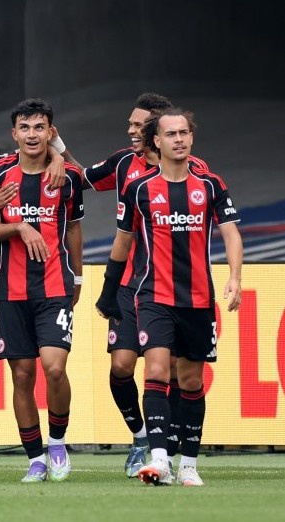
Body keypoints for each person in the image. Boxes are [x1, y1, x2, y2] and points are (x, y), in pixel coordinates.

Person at [60, 93, 209, 478]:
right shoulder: (124, 162)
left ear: (156, 130)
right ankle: (141, 438)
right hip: (130, 284)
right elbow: (82, 178)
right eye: (129, 123)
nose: (130, 130)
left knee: (173, 370)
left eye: (137, 124)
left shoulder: (196, 171)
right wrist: (56, 147)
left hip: (172, 286)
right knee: (122, 365)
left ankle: (170, 451)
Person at [96, 108, 242, 486]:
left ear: (191, 137)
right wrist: (109, 291)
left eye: (184, 133)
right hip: (153, 295)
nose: (179, 139)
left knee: (191, 381)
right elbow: (123, 241)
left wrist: (235, 277)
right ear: (157, 142)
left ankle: (188, 465)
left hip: (198, 298)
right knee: (157, 371)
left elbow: (230, 233)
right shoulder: (140, 189)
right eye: (171, 134)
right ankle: (159, 459)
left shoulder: (210, 185)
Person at [0, 98, 84, 483]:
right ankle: (35, 459)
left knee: (54, 368)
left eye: (40, 127)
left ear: (51, 132)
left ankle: (57, 443)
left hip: (55, 286)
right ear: (14, 134)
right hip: (10, 290)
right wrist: (20, 227)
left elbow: (74, 228)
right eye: (25, 128)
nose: (32, 134)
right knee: (22, 376)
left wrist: (78, 278)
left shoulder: (67, 177)